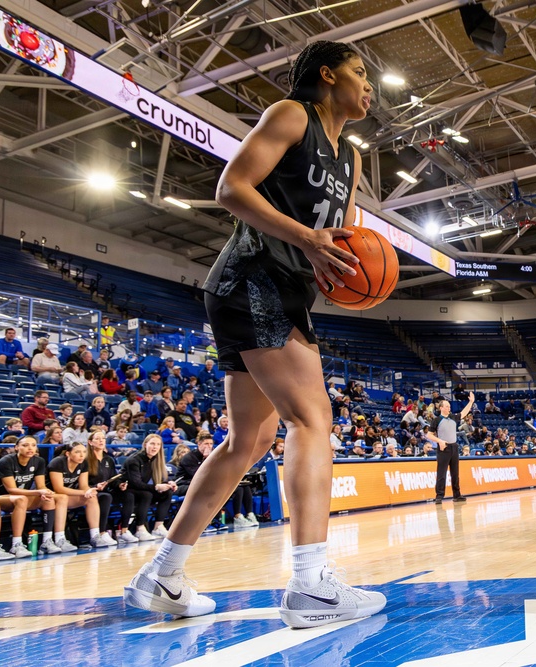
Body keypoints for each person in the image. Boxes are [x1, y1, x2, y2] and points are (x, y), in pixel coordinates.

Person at [124, 41, 386, 628]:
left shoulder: (353, 158)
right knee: (312, 419)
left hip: (287, 287)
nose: (371, 86)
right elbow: (231, 189)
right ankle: (311, 582)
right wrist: (304, 238)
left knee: (248, 441)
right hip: (253, 275)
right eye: (361, 72)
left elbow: (334, 239)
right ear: (327, 73)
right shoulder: (292, 115)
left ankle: (162, 574)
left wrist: (334, 260)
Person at [0, 435, 77, 555]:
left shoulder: (39, 461)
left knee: (56, 498)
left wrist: (46, 492)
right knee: (21, 499)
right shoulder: (6, 461)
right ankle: (16, 544)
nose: (30, 448)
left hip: (22, 498)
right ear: (17, 447)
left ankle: (50, 541)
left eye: (33, 445)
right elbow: (12, 490)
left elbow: (41, 486)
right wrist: (38, 492)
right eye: (25, 445)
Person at [176, 434, 258, 530]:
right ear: (199, 444)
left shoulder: (214, 455)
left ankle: (239, 517)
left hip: (205, 484)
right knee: (207, 490)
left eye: (211, 444)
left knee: (238, 488)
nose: (209, 446)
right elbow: (199, 476)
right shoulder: (189, 457)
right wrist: (207, 459)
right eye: (206, 443)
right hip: (184, 484)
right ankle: (205, 523)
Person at [47, 443, 115, 548]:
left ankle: (95, 536)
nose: (82, 455)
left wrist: (91, 490)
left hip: (67, 497)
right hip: (51, 497)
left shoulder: (83, 463)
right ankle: (59, 539)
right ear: (68, 453)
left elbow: (84, 486)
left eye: (84, 452)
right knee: (63, 497)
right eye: (77, 452)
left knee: (91, 498)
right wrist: (84, 492)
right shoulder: (57, 463)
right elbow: (58, 489)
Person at [121, 434, 175, 543]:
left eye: (158, 444)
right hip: (129, 490)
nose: (155, 447)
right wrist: (156, 487)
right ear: (145, 445)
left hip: (142, 489)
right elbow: (136, 483)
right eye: (152, 444)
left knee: (167, 492)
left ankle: (158, 527)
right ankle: (139, 528)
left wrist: (168, 483)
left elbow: (160, 480)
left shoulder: (156, 460)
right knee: (147, 494)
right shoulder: (134, 460)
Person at [425, 392, 475, 504]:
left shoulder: (453, 417)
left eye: (449, 406)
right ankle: (439, 496)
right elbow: (429, 435)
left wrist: (471, 402)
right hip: (444, 448)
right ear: (441, 408)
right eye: (447, 406)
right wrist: (440, 441)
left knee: (455, 473)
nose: (449, 407)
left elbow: (463, 413)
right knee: (441, 473)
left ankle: (457, 495)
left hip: (454, 447)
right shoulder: (437, 420)